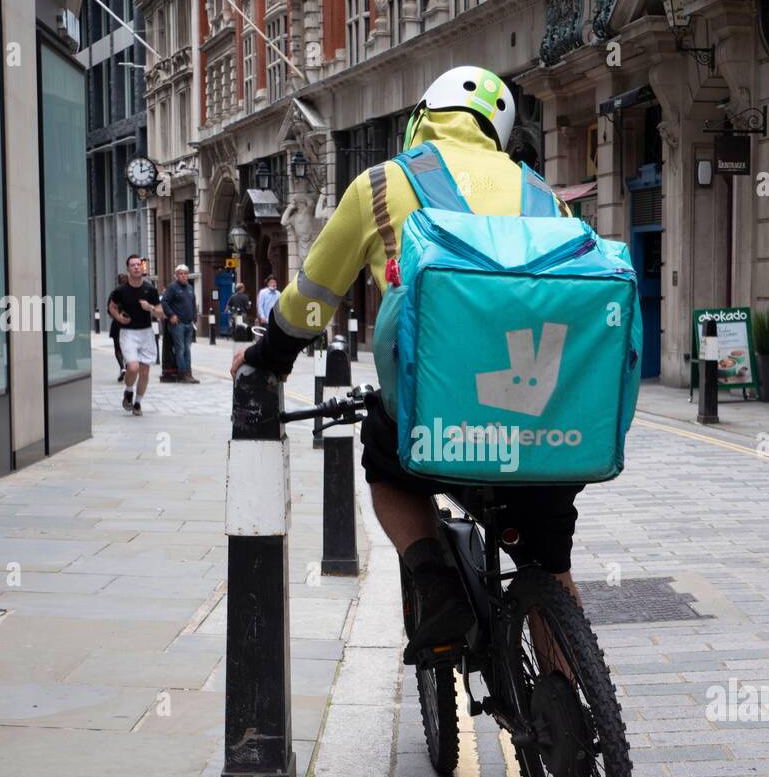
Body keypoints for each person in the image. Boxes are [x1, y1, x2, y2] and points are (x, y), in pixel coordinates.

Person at [231, 66, 582, 664]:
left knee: (386, 464)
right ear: (498, 134)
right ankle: (577, 721)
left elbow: (313, 296)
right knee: (550, 565)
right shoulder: (543, 195)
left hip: (438, 422)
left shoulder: (382, 184)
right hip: (542, 422)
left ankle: (435, 583)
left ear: (423, 117)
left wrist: (271, 357)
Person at [109, 254, 163, 416]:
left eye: (139, 264)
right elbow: (111, 307)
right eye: (133, 265)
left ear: (142, 267)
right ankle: (128, 390)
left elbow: (161, 313)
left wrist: (151, 308)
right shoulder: (121, 291)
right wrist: (119, 318)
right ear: (128, 269)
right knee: (133, 367)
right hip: (128, 333)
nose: (137, 267)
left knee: (145, 372)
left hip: (146, 333)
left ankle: (138, 403)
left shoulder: (150, 290)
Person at [161, 264, 200, 384]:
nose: (183, 276)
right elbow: (164, 302)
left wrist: (194, 316)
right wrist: (171, 315)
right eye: (181, 274)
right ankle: (182, 374)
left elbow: (193, 303)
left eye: (185, 274)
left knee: (187, 349)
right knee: (180, 349)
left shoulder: (189, 288)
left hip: (189, 323)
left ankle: (188, 373)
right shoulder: (172, 288)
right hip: (177, 324)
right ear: (176, 276)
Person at [108, 273, 127, 382]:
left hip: (117, 323)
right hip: (129, 324)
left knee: (118, 348)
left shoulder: (114, 294)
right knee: (128, 347)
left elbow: (109, 309)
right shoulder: (131, 292)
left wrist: (116, 316)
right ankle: (127, 367)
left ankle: (122, 367)